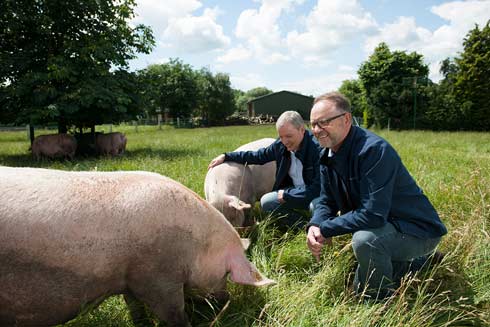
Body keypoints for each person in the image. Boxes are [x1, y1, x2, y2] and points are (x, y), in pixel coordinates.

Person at [306, 92, 447, 300]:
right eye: (313, 124)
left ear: (346, 119)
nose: (317, 130)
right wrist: (315, 225)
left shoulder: (374, 151)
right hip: (385, 225)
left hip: (416, 229)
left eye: (324, 122)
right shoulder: (326, 154)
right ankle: (421, 263)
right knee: (316, 208)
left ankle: (377, 302)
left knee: (366, 241)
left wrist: (327, 229)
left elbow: (373, 215)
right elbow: (326, 200)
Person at [208, 111, 321, 229]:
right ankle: (303, 225)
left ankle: (321, 229)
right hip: (293, 191)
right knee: (267, 202)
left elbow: (318, 187)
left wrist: (288, 195)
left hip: (315, 193)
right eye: (281, 136)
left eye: (289, 136)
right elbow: (258, 156)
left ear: (302, 130)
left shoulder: (318, 149)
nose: (284, 141)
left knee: (316, 206)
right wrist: (227, 156)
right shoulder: (281, 145)